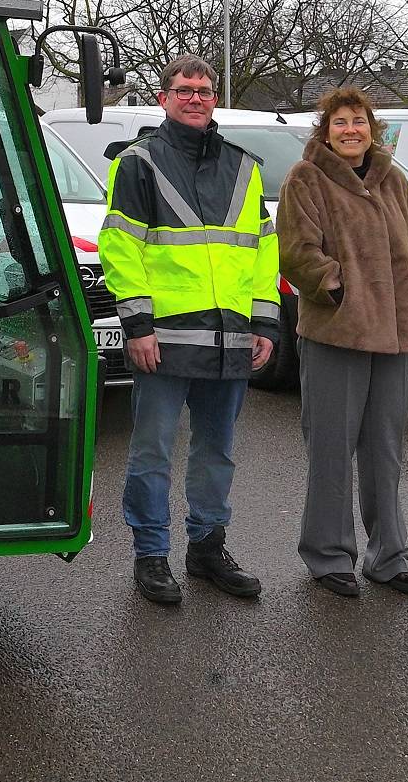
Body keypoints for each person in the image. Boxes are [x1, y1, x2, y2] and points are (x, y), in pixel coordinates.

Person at [99, 55, 279, 606]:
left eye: (203, 89)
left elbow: (262, 251)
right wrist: (138, 325)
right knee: (152, 451)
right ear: (164, 98)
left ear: (213, 97)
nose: (195, 97)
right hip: (164, 338)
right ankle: (151, 556)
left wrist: (265, 321)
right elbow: (120, 249)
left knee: (216, 452)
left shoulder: (245, 168)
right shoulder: (138, 163)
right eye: (184, 90)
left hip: (230, 339)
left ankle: (206, 548)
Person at [276, 87, 408, 598]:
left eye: (360, 122)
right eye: (340, 123)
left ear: (374, 129)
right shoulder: (306, 178)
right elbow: (297, 253)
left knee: (385, 452)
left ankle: (389, 558)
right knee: (331, 449)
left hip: (396, 338)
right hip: (338, 334)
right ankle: (328, 556)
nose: (352, 131)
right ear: (325, 131)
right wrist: (340, 290)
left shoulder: (394, 180)